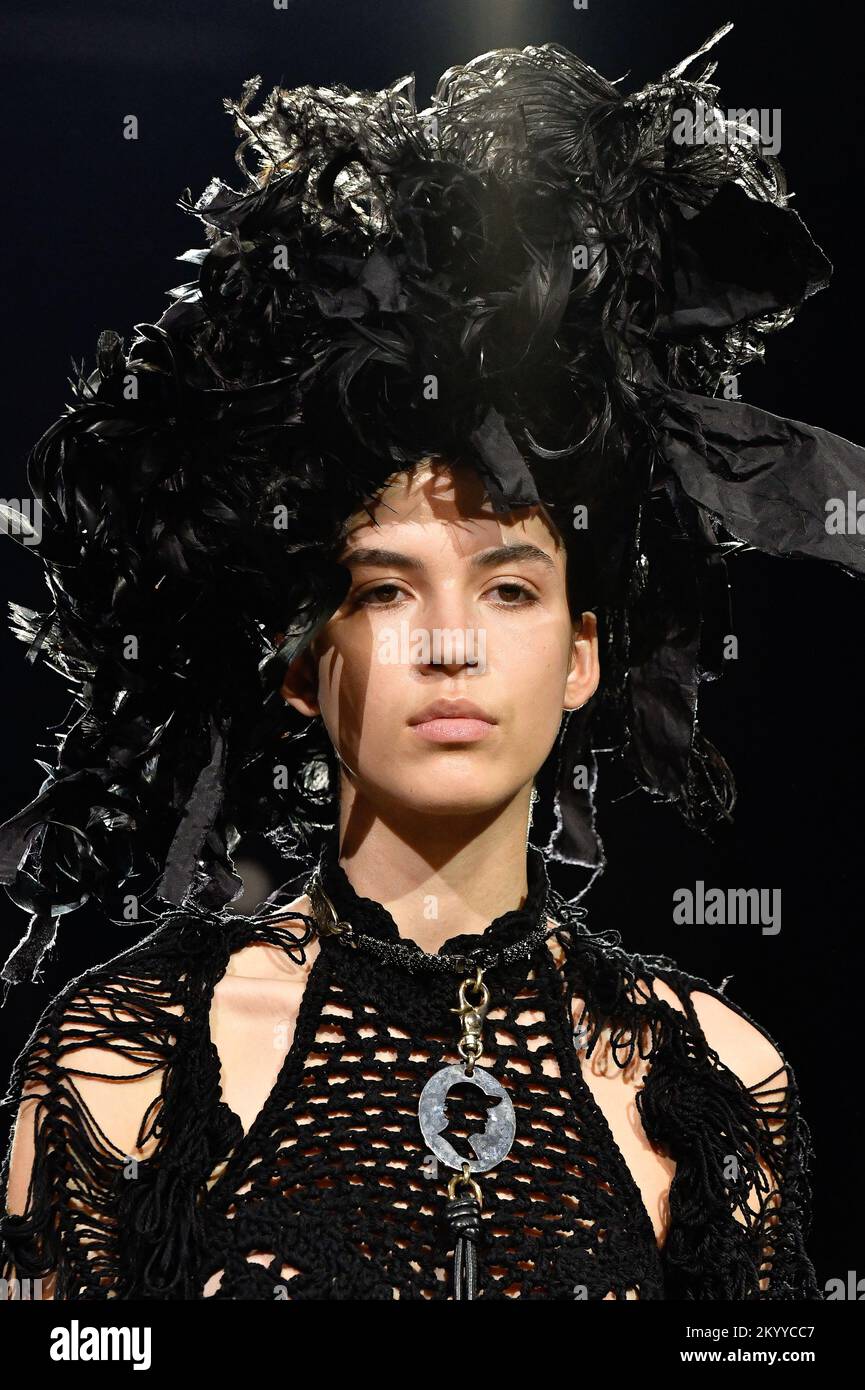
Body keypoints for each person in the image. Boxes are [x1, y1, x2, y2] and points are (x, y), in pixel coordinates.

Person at [0, 25, 860, 1300]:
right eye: (386, 586)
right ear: (299, 663)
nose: (451, 641)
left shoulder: (720, 1084)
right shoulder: (119, 1070)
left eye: (509, 588)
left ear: (582, 657)